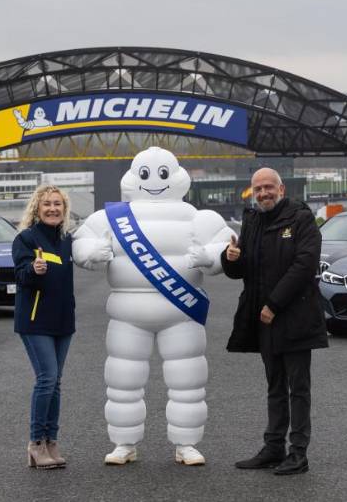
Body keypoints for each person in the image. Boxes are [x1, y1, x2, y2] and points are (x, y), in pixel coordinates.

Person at [72, 147, 233, 466]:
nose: (155, 180)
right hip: (127, 314)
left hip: (181, 314)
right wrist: (93, 250)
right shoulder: (110, 218)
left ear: (176, 176)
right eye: (146, 173)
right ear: (134, 176)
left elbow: (226, 248)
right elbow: (81, 243)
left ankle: (186, 444)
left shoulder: (198, 218)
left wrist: (212, 258)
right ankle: (124, 443)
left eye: (163, 173)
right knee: (122, 382)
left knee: (187, 382)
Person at [220, 167, 328, 475]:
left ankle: (298, 453)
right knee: (275, 386)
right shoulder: (252, 221)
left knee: (299, 388)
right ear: (252, 193)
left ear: (281, 189)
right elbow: (244, 268)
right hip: (264, 319)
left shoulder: (301, 218)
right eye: (258, 189)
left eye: (269, 187)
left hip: (295, 317)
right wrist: (230, 257)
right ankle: (273, 447)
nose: (264, 193)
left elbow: (304, 265)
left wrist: (274, 304)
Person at [13, 184, 75, 470]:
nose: (52, 208)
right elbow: (21, 274)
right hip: (35, 321)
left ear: (64, 209)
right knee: (47, 379)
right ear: (37, 209)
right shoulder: (26, 238)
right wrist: (33, 270)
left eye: (57, 204)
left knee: (57, 383)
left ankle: (52, 442)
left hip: (62, 320)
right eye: (47, 204)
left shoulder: (67, 239)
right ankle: (35, 443)